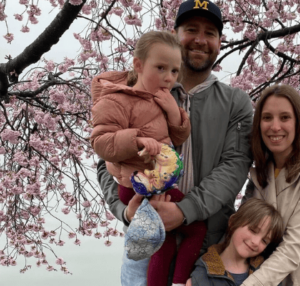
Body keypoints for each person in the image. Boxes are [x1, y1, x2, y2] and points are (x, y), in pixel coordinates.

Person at [96, 0, 253, 285]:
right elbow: (105, 159)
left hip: (210, 243)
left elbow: (235, 165)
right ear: (175, 35)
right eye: (191, 29)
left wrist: (184, 211)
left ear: (219, 42)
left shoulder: (236, 103)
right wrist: (125, 212)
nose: (200, 40)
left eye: (210, 33)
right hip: (145, 236)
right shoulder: (139, 91)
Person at [91, 31, 207, 286]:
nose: (169, 78)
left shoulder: (159, 98)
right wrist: (137, 141)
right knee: (193, 230)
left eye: (175, 71)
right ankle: (177, 282)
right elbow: (100, 142)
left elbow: (180, 136)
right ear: (138, 65)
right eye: (161, 68)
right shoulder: (115, 100)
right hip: (136, 186)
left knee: (162, 238)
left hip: (156, 181)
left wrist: (172, 113)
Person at [242, 84, 300, 285]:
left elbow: (294, 247)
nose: (275, 127)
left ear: (299, 123)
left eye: (285, 117)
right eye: (267, 118)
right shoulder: (260, 173)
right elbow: (241, 227)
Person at [186, 198, 285, 286]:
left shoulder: (266, 272)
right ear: (233, 222)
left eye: (264, 241)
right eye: (253, 230)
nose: (256, 242)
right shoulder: (201, 276)